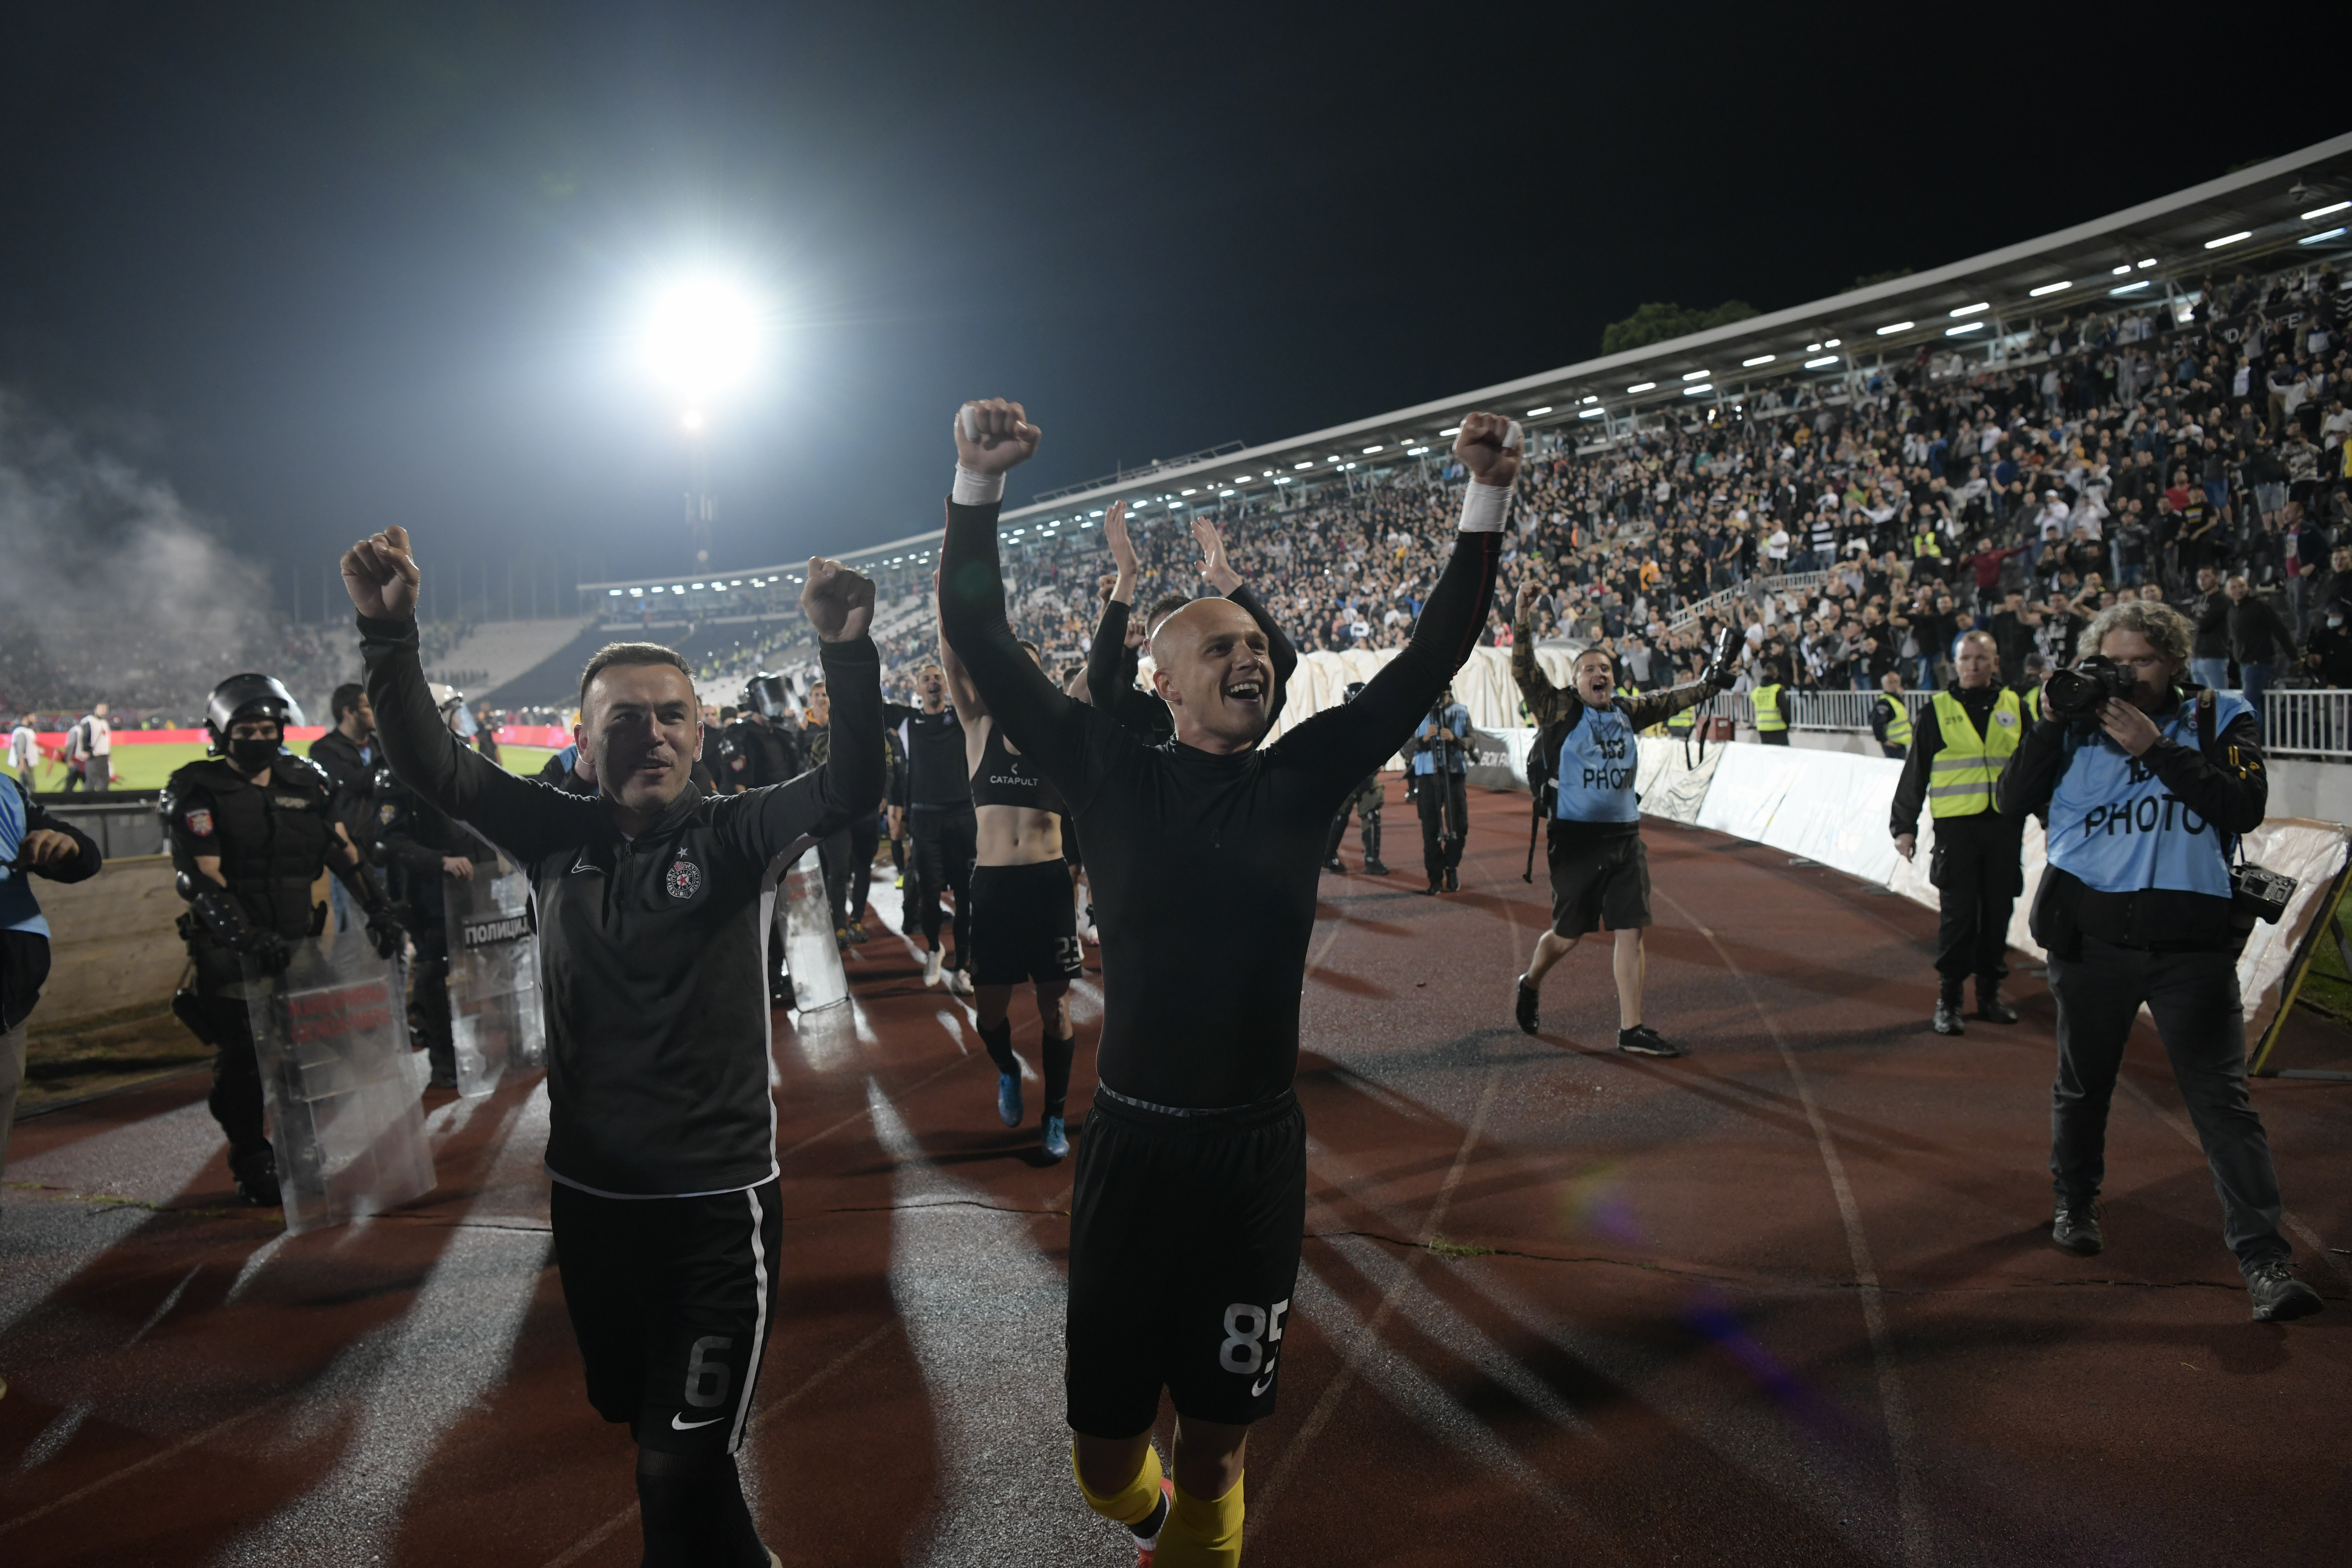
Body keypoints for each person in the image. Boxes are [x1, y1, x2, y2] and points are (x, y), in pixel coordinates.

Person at [937, 398, 1510, 1568]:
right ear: (1165, 686)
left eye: (1257, 646)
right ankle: (1166, 1534)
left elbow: (1435, 652)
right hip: (1132, 1151)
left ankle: (1204, 1547)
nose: (1248, 656)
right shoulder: (1107, 770)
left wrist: (1485, 496)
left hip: (1255, 1158)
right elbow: (980, 637)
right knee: (1107, 1467)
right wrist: (974, 487)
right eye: (1220, 648)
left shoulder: (1306, 776)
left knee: (1216, 1447)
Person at [343, 521, 882, 1568]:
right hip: (590, 1205)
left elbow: (852, 788)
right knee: (648, 1436)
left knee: (673, 1465)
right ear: (584, 742)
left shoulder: (738, 836)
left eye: (670, 715)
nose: (651, 735)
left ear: (703, 729)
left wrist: (846, 653)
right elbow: (431, 769)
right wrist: (390, 636)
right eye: (623, 720)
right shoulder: (554, 832)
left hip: (715, 1212)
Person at [1995, 600, 2323, 1323]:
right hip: (2091, 943)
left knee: (2222, 1106)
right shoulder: (2073, 725)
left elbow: (2240, 806)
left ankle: (2264, 1262)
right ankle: (2074, 1203)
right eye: (2112, 661)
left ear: (2173, 660)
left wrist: (2155, 748)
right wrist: (2049, 722)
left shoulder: (2218, 714)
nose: (2125, 674)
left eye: (2141, 660)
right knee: (2082, 1086)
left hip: (2189, 948)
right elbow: (2009, 799)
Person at [162, 673, 405, 1204]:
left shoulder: (307, 782)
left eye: (267, 726)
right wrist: (245, 936)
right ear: (222, 732)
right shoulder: (197, 788)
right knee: (245, 1060)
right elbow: (200, 876)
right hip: (230, 952)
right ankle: (251, 1153)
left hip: (298, 943)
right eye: (246, 727)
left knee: (312, 1050)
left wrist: (381, 911)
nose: (258, 735)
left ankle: (304, 1145)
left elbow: (343, 853)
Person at [1509, 582, 1738, 1056]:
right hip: (1575, 841)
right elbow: (1524, 670)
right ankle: (1531, 982)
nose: (1599, 673)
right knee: (1568, 937)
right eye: (1589, 668)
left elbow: (1675, 698)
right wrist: (1523, 619)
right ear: (1575, 681)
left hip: (1624, 836)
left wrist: (1715, 682)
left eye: (1606, 669)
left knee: (1630, 930)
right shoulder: (1560, 710)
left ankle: (1630, 1028)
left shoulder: (1625, 712)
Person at [939, 627, 1083, 1161]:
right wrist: (945, 603)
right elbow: (953, 665)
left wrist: (1123, 589)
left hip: (1046, 885)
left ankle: (1054, 1115)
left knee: (1057, 1008)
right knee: (990, 1012)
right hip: (995, 889)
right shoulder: (979, 725)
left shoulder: (1057, 731)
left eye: (1029, 669)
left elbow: (1097, 677)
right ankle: (1006, 1069)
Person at [1890, 630, 2027, 1035]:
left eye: (1981, 659)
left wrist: (2051, 815)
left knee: (1998, 914)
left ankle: (1989, 995)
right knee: (1958, 918)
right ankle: (1949, 1000)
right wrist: (1904, 826)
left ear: (1995, 662)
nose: (1972, 666)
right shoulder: (1937, 710)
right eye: (1965, 659)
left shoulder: (2016, 707)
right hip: (1957, 831)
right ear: (1955, 663)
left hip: (2003, 828)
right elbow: (1915, 770)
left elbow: (2032, 767)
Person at [0, 772, 101, 1189]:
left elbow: (83, 856)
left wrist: (67, 847)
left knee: (3, 1088)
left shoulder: (6, 791)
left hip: (11, 988)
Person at [374, 760, 481, 1089]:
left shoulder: (458, 764)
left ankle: (478, 1049)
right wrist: (439, 862)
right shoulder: (396, 775)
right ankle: (443, 1061)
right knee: (432, 971)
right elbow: (389, 841)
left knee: (484, 964)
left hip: (468, 887)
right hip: (425, 893)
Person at [883, 661, 974, 991]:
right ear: (917, 687)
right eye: (927, 678)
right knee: (929, 892)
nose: (934, 682)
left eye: (939, 677)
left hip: (963, 816)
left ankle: (963, 964)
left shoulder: (962, 716)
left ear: (947, 685)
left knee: (967, 896)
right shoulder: (906, 720)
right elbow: (866, 702)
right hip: (924, 819)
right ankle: (936, 947)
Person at [309, 683, 378, 933]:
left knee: (395, 934)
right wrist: (392, 761)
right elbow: (354, 783)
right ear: (349, 712)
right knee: (355, 938)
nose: (376, 712)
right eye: (369, 706)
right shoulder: (324, 750)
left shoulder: (379, 747)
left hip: (388, 853)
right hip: (351, 856)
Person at [1408, 685, 1471, 894]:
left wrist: (1456, 739)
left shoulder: (1461, 711)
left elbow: (1473, 740)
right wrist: (1424, 739)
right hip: (1427, 778)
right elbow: (1404, 746)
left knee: (1459, 827)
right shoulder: (1417, 712)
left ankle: (1451, 867)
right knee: (1431, 830)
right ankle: (1435, 878)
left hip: (1454, 776)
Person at [1321, 683, 1389, 875]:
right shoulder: (1338, 720)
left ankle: (1371, 859)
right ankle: (1329, 855)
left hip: (1365, 776)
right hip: (1347, 777)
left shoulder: (1371, 720)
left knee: (1371, 814)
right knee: (1340, 816)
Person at [1869, 669, 1913, 759]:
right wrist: (1885, 741)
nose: (1895, 685)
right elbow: (1877, 723)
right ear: (1885, 684)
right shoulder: (1885, 702)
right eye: (1891, 682)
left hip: (1901, 744)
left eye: (1897, 682)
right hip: (1893, 745)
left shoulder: (1896, 699)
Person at [1750, 664, 1791, 744]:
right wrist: (1788, 724)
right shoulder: (1777, 690)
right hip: (1778, 728)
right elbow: (1785, 710)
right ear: (1776, 674)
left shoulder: (1756, 692)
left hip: (1762, 729)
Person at [7, 716, 39, 793]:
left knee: (27, 783)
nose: (35, 719)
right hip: (25, 761)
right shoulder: (21, 732)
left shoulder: (27, 731)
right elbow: (20, 748)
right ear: (26, 718)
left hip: (28, 761)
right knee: (28, 784)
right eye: (32, 717)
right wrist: (22, 763)